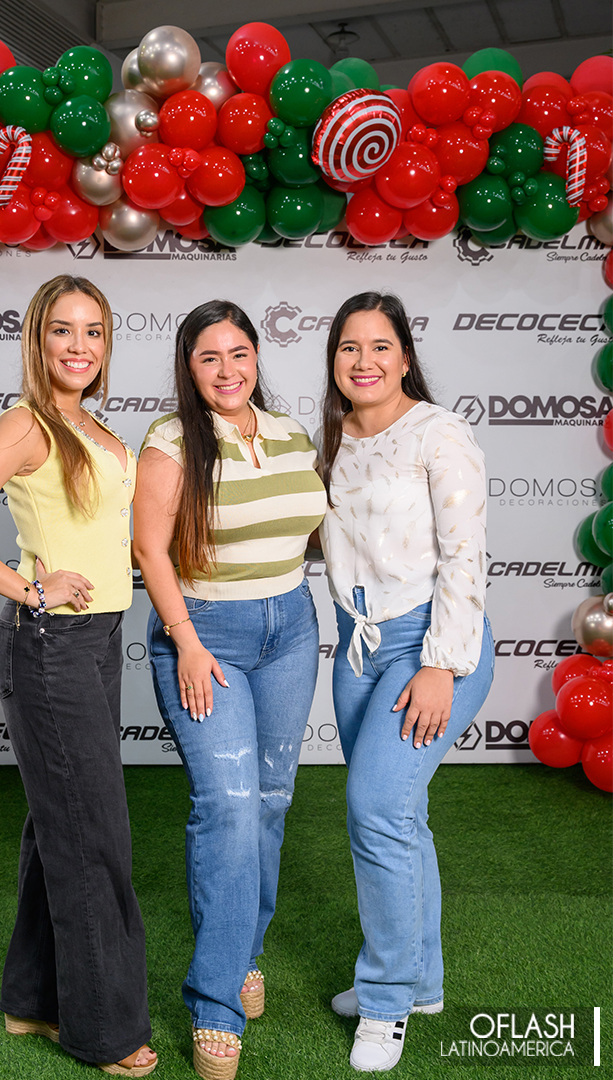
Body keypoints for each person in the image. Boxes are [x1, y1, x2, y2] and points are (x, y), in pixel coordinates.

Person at [0, 274, 157, 1078]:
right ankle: (104, 1032)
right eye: (63, 329)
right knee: (95, 836)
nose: (79, 346)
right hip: (51, 643)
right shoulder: (26, 423)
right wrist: (31, 587)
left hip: (98, 639)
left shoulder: (92, 424)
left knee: (60, 823)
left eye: (94, 331)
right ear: (38, 338)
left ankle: (32, 999)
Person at [133, 300, 327, 1080]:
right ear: (189, 366)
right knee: (230, 807)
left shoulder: (290, 434)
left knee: (272, 801)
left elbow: (315, 529)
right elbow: (150, 547)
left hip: (293, 628)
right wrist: (185, 640)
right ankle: (215, 1005)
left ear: (256, 357)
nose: (227, 370)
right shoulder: (172, 441)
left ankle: (244, 951)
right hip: (206, 631)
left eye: (238, 353)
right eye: (208, 357)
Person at [316, 291, 494, 1073]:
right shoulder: (334, 440)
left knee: (376, 809)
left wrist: (439, 663)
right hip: (357, 648)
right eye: (349, 347)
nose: (364, 361)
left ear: (406, 357)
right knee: (401, 818)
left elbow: (464, 556)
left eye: (380, 346)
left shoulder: (438, 432)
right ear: (333, 360)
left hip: (429, 643)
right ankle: (422, 983)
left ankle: (385, 1002)